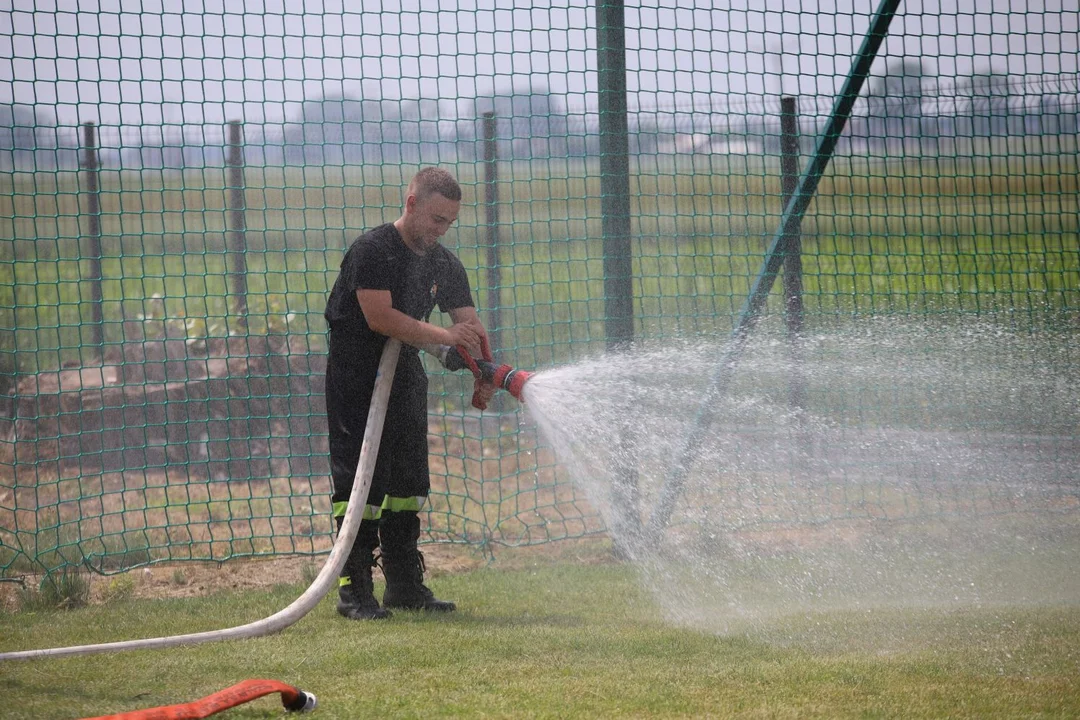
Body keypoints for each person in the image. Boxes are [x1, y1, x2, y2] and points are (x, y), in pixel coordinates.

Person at [323, 167, 493, 620]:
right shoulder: (372, 250)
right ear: (411, 203)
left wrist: (482, 367)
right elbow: (380, 318)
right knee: (361, 483)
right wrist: (445, 335)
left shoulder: (444, 263)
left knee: (407, 483)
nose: (441, 230)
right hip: (358, 376)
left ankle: (404, 584)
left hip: (405, 376)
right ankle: (354, 589)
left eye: (449, 223)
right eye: (436, 219)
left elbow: (469, 327)